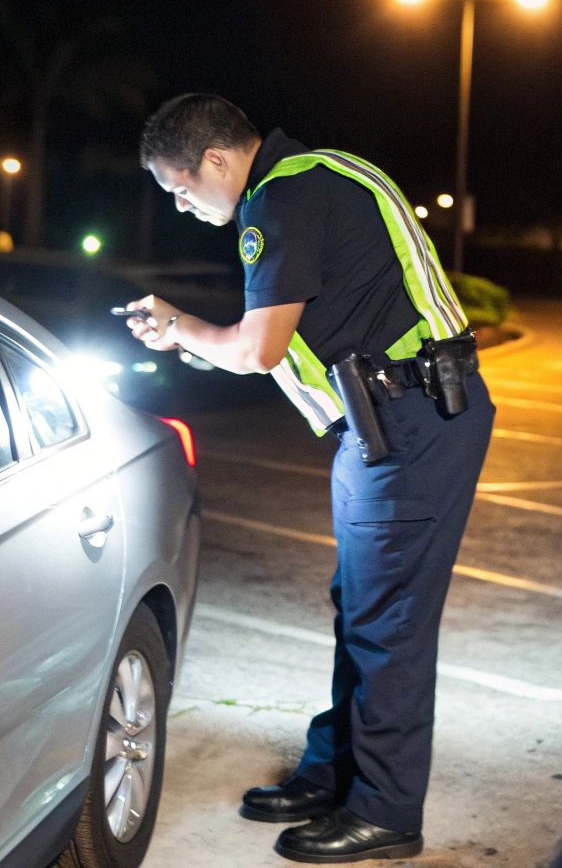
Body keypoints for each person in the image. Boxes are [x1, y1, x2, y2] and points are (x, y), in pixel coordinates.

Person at [128, 93, 494, 863]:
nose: (183, 205)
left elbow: (260, 348)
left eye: (181, 188)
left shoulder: (282, 201)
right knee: (360, 607)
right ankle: (335, 774)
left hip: (410, 422)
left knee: (385, 621)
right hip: (391, 419)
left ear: (217, 161)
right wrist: (194, 338)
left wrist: (179, 327)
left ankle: (386, 811)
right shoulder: (318, 173)